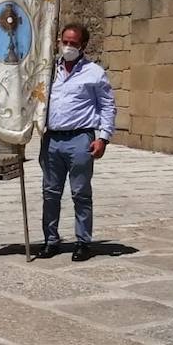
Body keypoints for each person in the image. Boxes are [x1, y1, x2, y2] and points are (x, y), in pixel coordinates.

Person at [39, 23, 115, 262]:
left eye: (73, 43)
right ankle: (50, 240)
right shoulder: (48, 70)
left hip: (80, 138)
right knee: (50, 193)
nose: (68, 46)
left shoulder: (94, 72)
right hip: (52, 139)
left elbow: (107, 106)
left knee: (81, 193)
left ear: (82, 45)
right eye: (65, 41)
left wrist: (103, 138)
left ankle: (83, 241)